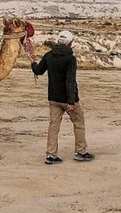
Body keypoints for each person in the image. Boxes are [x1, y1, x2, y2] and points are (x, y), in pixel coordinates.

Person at [32, 30, 94, 165]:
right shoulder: (70, 59)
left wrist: (33, 64)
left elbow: (38, 71)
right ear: (70, 43)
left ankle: (51, 155)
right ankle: (81, 152)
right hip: (68, 99)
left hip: (53, 98)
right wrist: (71, 101)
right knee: (78, 123)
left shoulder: (49, 55)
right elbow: (70, 80)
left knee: (53, 126)